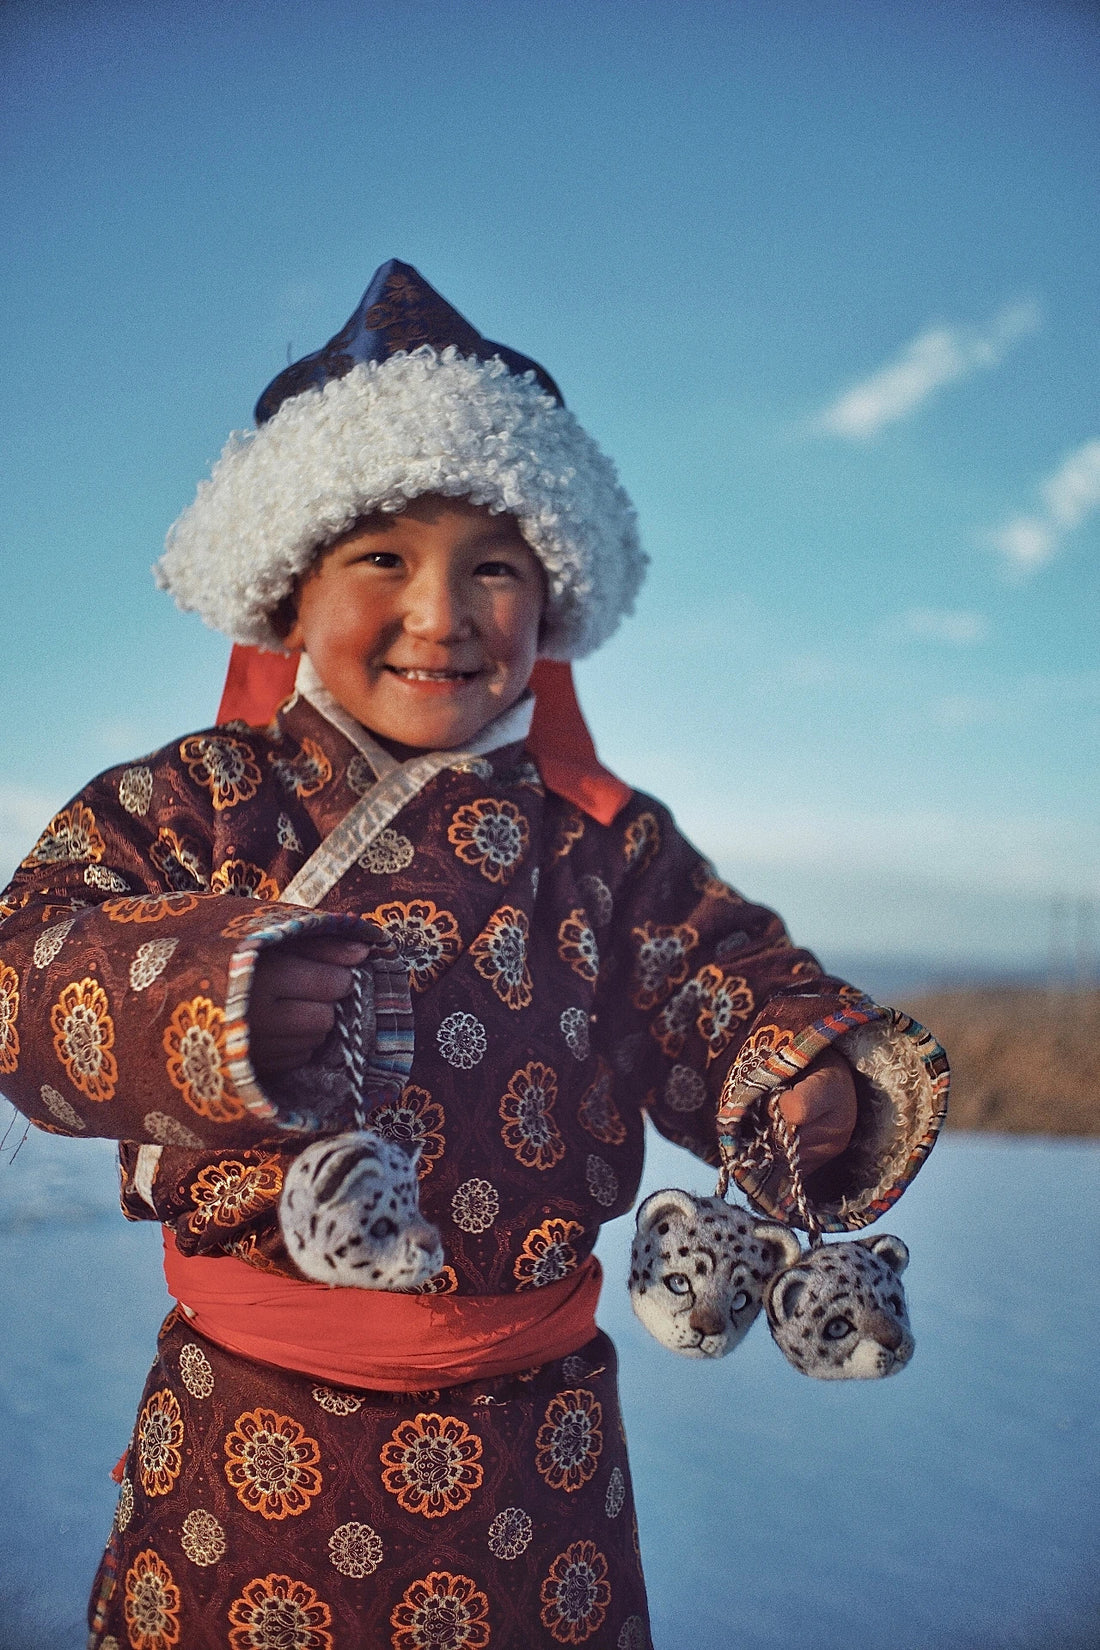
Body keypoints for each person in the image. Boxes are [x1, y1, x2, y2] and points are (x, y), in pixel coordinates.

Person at [0, 261, 947, 1650]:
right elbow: (24, 968)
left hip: (539, 1473)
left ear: (549, 604)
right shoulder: (198, 801)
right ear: (288, 586)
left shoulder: (602, 845)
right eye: (382, 555)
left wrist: (798, 1068)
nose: (442, 613)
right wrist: (210, 993)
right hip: (252, 1457)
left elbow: (718, 978)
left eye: (491, 565)